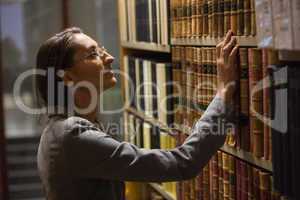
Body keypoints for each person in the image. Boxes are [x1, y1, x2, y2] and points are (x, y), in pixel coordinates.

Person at [35, 27, 238, 200]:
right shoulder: (72, 135)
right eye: (93, 54)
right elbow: (183, 163)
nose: (110, 57)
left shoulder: (57, 129)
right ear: (68, 77)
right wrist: (222, 94)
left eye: (101, 50)